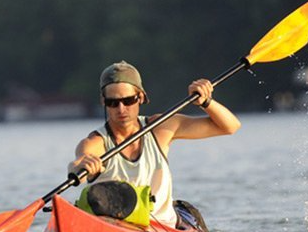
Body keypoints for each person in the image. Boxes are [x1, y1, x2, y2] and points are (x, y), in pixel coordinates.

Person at [68, 60, 241, 230]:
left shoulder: (161, 128)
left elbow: (230, 126)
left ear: (140, 97)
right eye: (113, 102)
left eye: (128, 100)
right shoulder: (95, 143)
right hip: (115, 225)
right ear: (103, 101)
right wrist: (80, 168)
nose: (121, 109)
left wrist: (206, 102)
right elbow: (77, 166)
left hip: (162, 225)